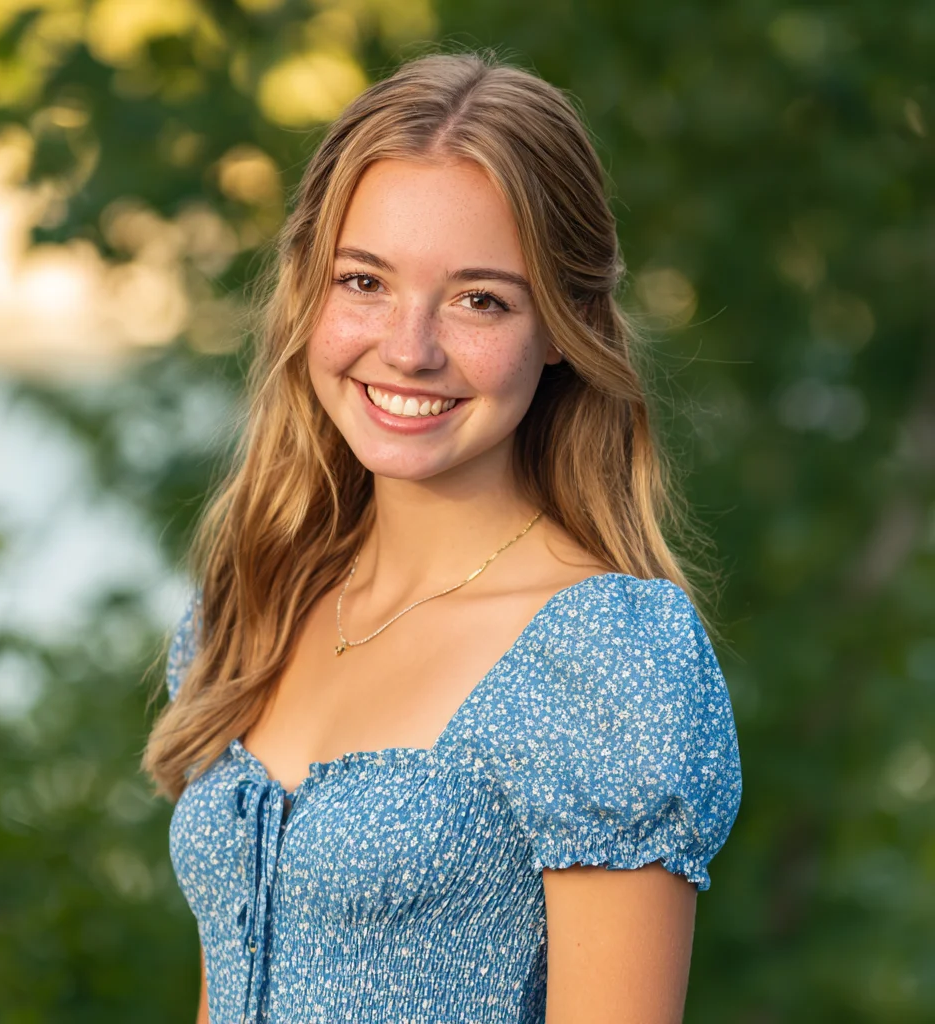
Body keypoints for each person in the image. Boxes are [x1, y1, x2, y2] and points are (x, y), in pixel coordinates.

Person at [143, 48, 742, 1024]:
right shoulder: (246, 611)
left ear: (561, 325)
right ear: (309, 291)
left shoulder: (602, 656)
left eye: (479, 299)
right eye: (365, 281)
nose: (409, 347)